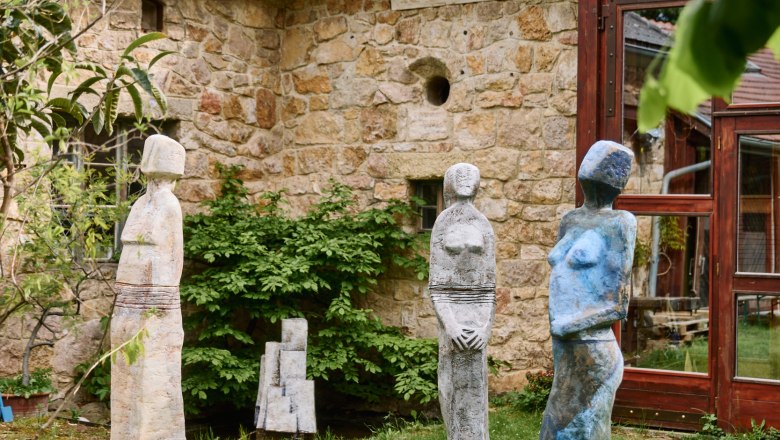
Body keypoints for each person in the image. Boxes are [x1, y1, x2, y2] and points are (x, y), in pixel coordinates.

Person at [540, 140, 637, 440]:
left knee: (586, 429)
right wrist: (561, 329)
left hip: (592, 347)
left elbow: (619, 304)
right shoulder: (570, 219)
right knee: (553, 430)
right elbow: (560, 271)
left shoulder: (621, 223)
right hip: (564, 347)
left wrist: (571, 325)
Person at [429, 163, 496, 440]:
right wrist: (451, 325)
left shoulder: (483, 223)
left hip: (478, 309)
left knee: (475, 382)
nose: (466, 178)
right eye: (460, 174)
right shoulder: (443, 221)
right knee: (451, 382)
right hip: (451, 310)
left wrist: (485, 329)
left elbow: (490, 287)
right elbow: (437, 286)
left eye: (471, 174)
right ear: (449, 182)